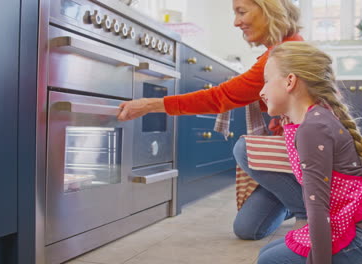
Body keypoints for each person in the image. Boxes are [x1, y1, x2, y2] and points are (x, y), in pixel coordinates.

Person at [118, 0, 307, 240]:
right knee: (248, 229)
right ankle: (292, 200)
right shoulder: (282, 48)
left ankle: (310, 213)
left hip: (305, 160)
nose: (236, 22)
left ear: (269, 9)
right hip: (298, 158)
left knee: (246, 149)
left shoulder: (285, 53)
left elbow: (221, 96)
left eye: (241, 12)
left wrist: (149, 104)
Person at [256, 41, 362, 263]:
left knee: (270, 260)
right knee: (266, 253)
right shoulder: (315, 117)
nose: (262, 90)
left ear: (290, 81)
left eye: (266, 81)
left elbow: (317, 208)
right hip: (360, 227)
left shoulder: (313, 128)